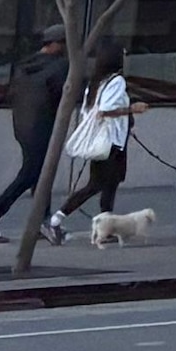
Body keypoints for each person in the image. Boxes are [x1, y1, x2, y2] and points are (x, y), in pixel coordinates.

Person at [0, 42, 68, 242]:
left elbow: (13, 93)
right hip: (42, 125)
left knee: (39, 175)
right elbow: (62, 95)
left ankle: (43, 221)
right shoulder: (58, 66)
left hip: (23, 124)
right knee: (30, 175)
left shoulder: (24, 65)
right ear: (56, 44)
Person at [58, 62, 138, 241]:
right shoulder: (116, 81)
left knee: (110, 183)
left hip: (109, 141)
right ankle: (58, 218)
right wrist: (132, 110)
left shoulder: (95, 83)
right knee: (97, 184)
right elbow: (104, 111)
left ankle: (106, 226)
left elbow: (89, 112)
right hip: (111, 142)